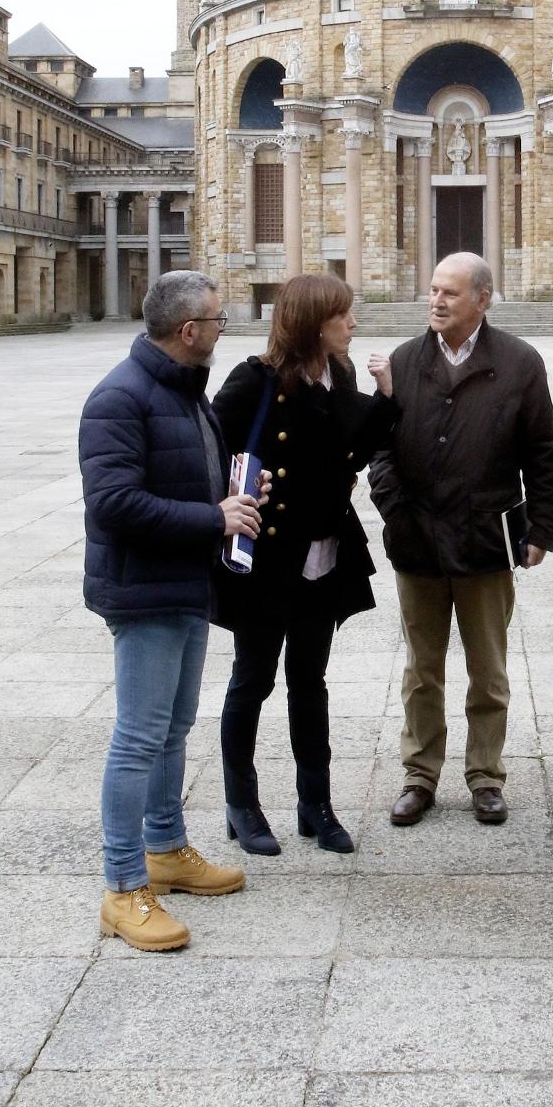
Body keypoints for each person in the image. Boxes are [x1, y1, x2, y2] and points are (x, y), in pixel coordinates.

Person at [80, 270, 265, 952]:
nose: (222, 328)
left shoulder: (187, 392)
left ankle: (165, 848)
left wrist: (237, 494)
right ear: (189, 331)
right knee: (138, 737)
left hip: (186, 582)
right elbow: (113, 503)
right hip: (144, 591)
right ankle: (123, 886)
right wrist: (213, 517)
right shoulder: (119, 398)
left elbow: (191, 480)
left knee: (173, 729)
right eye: (217, 320)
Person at [368, 253, 553, 826]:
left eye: (450, 293)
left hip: (486, 540)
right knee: (421, 670)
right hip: (417, 540)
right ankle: (419, 774)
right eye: (434, 290)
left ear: (482, 299)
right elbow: (381, 447)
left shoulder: (520, 362)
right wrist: (395, 511)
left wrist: (542, 528)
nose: (437, 301)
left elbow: (541, 451)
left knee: (489, 670)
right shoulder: (405, 360)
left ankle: (485, 775)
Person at [211, 273, 397, 858]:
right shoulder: (255, 379)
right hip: (269, 559)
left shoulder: (340, 374)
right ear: (314, 323)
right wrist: (229, 496)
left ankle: (315, 804)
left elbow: (353, 453)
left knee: (309, 683)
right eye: (343, 315)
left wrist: (385, 398)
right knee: (253, 680)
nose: (353, 323)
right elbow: (208, 451)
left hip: (324, 555)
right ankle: (242, 804)